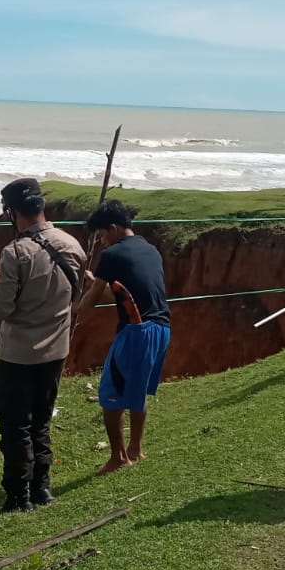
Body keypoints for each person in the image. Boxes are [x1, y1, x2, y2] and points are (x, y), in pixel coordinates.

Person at [0, 177, 86, 512]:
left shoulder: (15, 253)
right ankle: (42, 488)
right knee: (40, 421)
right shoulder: (72, 245)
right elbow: (75, 294)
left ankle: (17, 496)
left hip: (18, 354)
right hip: (55, 350)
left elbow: (2, 307)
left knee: (15, 425)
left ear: (11, 211)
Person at [75, 200, 170, 474]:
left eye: (103, 235)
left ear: (113, 228)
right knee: (137, 389)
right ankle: (135, 449)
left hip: (135, 331)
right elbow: (122, 292)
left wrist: (65, 311)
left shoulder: (112, 255)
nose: (103, 242)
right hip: (161, 328)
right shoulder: (150, 249)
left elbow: (90, 303)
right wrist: (97, 281)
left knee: (110, 395)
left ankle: (118, 458)